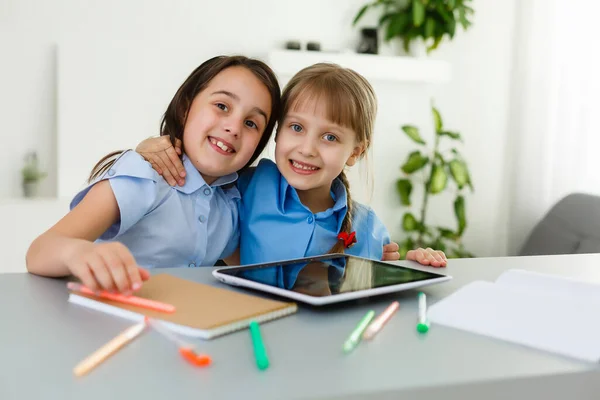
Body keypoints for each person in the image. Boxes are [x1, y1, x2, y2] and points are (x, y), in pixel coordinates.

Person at [138, 63, 447, 290]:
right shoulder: (246, 185)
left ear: (355, 152)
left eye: (330, 137)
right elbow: (198, 173)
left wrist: (413, 265)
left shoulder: (366, 228)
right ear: (277, 132)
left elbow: (372, 294)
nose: (307, 149)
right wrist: (151, 147)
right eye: (296, 128)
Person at [25, 55, 282, 294]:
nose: (233, 127)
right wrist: (77, 253)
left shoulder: (230, 203)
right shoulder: (144, 175)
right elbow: (39, 251)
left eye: (251, 123)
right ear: (185, 109)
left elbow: (257, 268)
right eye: (222, 106)